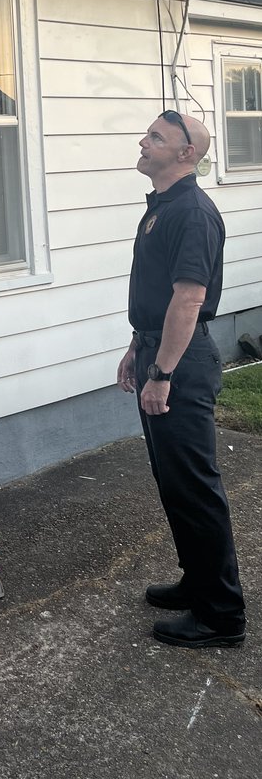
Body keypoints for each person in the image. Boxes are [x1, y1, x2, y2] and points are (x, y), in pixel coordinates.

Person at [117, 109, 245, 648]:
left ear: (185, 154)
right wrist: (137, 348)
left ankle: (221, 616)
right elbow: (158, 294)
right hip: (158, 349)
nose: (143, 142)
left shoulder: (192, 212)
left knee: (195, 488)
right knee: (175, 485)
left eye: (157, 138)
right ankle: (197, 583)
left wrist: (162, 373)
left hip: (182, 362)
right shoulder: (162, 207)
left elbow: (189, 297)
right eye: (147, 133)